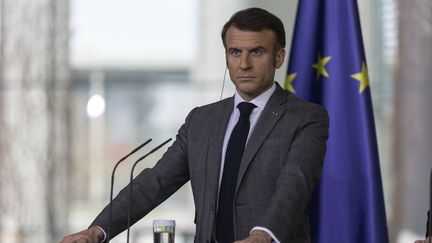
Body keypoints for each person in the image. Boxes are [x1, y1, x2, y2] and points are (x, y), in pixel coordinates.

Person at [61, 7, 329, 243]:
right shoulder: (201, 120)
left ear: (279, 57)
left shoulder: (306, 118)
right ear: (226, 58)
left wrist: (262, 235)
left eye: (256, 52)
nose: (244, 64)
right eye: (235, 52)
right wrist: (97, 230)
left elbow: (294, 185)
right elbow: (155, 182)